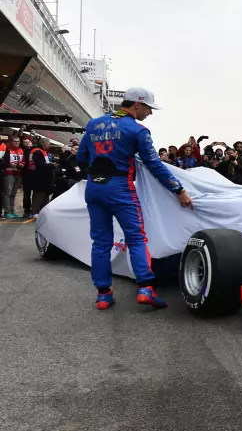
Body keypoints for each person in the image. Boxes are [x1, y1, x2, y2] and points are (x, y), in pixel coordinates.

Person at [75, 88, 193, 310]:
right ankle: (146, 289)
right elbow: (154, 164)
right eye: (149, 108)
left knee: (100, 242)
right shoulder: (138, 131)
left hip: (94, 187)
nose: (150, 113)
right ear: (137, 105)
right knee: (137, 238)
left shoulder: (93, 124)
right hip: (120, 189)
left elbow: (81, 157)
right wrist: (178, 189)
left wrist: (97, 172)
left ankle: (103, 295)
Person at [0, 133, 26, 218]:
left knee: (13, 194)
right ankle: (7, 212)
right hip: (9, 173)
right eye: (15, 141)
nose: (16, 143)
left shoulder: (21, 150)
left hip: (18, 174)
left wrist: (22, 164)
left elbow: (23, 160)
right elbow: (5, 162)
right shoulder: (7, 150)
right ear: (11, 142)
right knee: (8, 193)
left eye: (18, 141)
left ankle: (12, 211)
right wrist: (12, 165)